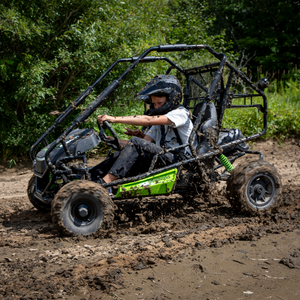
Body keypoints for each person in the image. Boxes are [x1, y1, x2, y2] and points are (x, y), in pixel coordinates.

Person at [92, 75, 193, 185]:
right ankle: (90, 177)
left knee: (136, 141)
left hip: (180, 161)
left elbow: (147, 120)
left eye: (160, 103)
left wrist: (114, 119)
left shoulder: (180, 113)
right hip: (165, 158)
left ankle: (105, 183)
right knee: (120, 152)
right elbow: (143, 144)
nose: (156, 106)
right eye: (154, 104)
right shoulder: (160, 122)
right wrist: (115, 141)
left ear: (172, 99)